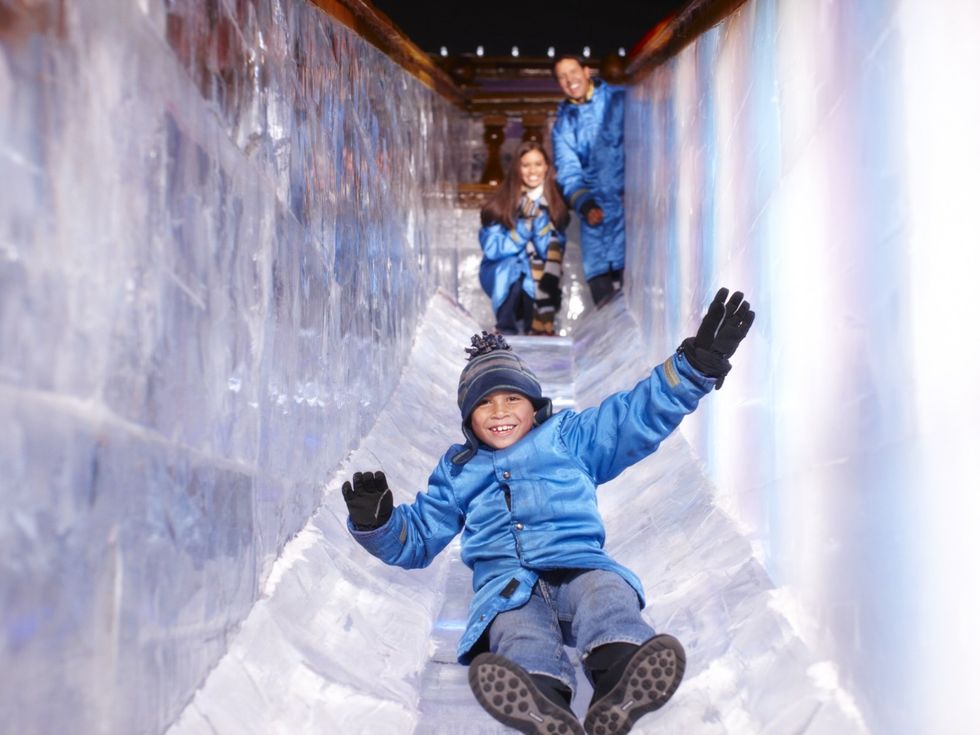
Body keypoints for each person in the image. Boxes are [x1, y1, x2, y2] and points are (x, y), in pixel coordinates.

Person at [341, 288, 755, 735]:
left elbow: (634, 416)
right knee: (517, 633)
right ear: (467, 417)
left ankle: (621, 674)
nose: (499, 412)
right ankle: (542, 700)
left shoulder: (569, 437)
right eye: (483, 403)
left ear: (534, 405)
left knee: (607, 596)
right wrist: (378, 522)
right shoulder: (458, 470)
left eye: (512, 399)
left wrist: (693, 368)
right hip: (506, 587)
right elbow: (419, 536)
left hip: (577, 564)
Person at [551, 55, 626, 309]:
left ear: (586, 71)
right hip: (595, 217)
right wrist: (585, 204)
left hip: (630, 214)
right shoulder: (563, 124)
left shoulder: (619, 100)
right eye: (562, 76)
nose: (569, 80)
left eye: (573, 72)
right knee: (604, 302)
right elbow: (567, 171)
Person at [478, 140, 570, 336]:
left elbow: (554, 251)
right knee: (514, 268)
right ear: (517, 169)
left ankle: (535, 327)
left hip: (538, 277)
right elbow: (492, 249)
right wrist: (522, 231)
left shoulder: (555, 206)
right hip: (500, 272)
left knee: (532, 273)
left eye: (537, 164)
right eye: (526, 165)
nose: (532, 171)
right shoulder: (501, 204)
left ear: (546, 167)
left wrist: (538, 226)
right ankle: (505, 327)